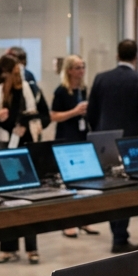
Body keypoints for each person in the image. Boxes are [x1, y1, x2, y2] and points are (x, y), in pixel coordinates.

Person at [86, 39, 138, 253]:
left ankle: (118, 234)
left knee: (111, 187)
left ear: (117, 55)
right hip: (131, 143)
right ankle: (120, 237)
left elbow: (91, 112)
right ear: (136, 57)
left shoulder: (101, 78)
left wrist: (100, 134)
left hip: (105, 141)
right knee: (127, 189)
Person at [0, 55, 50, 263]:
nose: (16, 77)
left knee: (29, 199)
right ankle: (8, 247)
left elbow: (42, 116)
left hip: (25, 150)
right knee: (6, 200)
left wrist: (26, 124)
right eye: (12, 73)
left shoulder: (28, 90)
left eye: (18, 73)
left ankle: (32, 247)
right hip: (5, 150)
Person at [50, 55, 100, 240]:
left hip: (82, 137)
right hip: (66, 138)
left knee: (84, 181)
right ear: (69, 70)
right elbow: (53, 116)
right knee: (68, 183)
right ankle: (68, 223)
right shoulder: (61, 91)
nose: (81, 71)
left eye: (83, 67)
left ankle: (84, 219)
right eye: (78, 67)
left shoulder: (85, 90)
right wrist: (74, 112)